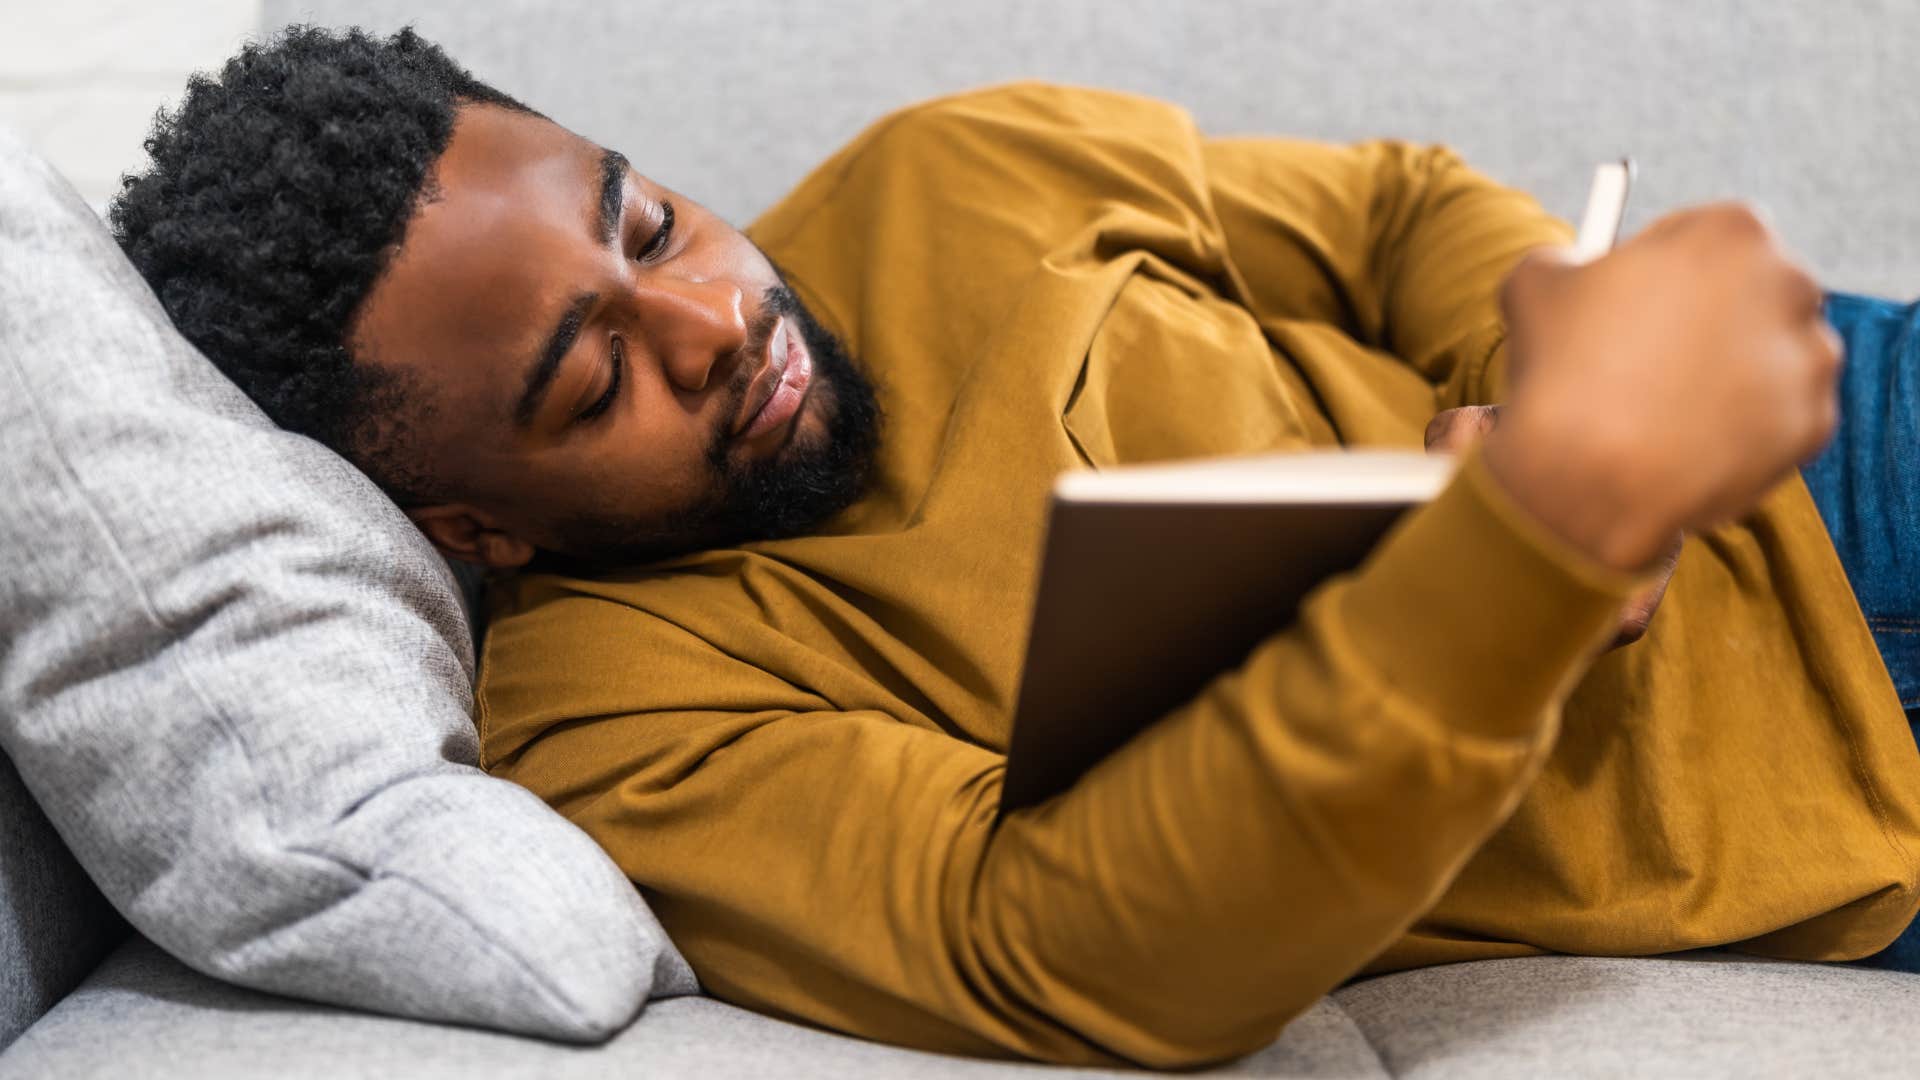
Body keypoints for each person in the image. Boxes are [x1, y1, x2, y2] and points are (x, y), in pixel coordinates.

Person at [111, 26, 1920, 1068]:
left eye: (648, 222)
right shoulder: (618, 721)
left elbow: (1391, 210)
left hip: (1840, 435)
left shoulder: (948, 170)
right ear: (472, 525)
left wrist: (1544, 379)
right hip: (1861, 795)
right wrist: (1539, 551)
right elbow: (1050, 939)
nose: (713, 323)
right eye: (596, 385)